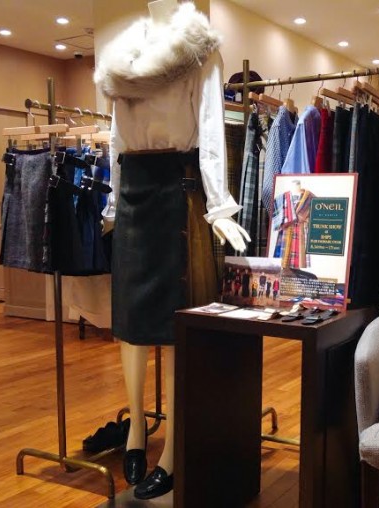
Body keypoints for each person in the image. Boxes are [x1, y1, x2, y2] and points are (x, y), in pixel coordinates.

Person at [94, 0, 251, 499]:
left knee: (177, 322)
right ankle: (137, 429)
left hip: (176, 190)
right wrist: (113, 202)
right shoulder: (123, 58)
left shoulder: (200, 51)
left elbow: (211, 129)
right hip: (134, 193)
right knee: (130, 322)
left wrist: (219, 206)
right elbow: (115, 137)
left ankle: (174, 450)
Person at [271, 180, 316, 269]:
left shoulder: (310, 197)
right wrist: (287, 219)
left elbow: (317, 216)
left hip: (302, 231)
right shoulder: (282, 198)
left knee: (300, 265)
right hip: (285, 232)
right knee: (282, 265)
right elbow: (276, 218)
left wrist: (304, 219)